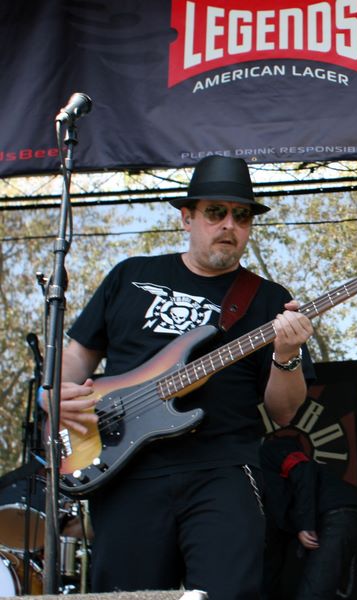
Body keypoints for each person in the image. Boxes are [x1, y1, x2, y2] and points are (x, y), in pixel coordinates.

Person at [45, 155, 315, 599]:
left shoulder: (268, 300)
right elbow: (75, 358)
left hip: (223, 469)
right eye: (216, 212)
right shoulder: (131, 276)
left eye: (242, 216)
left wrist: (287, 356)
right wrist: (51, 396)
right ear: (186, 217)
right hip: (124, 468)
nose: (229, 225)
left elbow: (284, 412)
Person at [260, 430, 357, 600]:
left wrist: (305, 524)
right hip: (332, 517)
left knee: (313, 592)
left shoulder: (270, 449)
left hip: (336, 513)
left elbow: (303, 469)